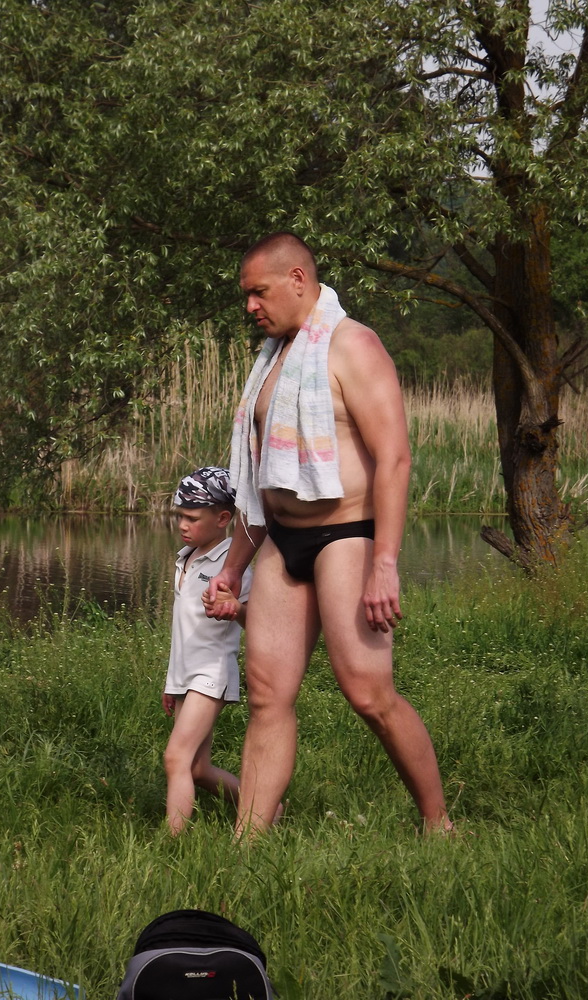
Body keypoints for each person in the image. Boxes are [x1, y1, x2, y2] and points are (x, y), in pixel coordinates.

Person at [207, 232, 452, 836]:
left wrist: (385, 563)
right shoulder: (274, 359)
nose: (250, 306)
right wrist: (234, 566)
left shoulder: (352, 345)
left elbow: (394, 458)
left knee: (368, 693)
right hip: (282, 539)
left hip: (347, 534)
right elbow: (261, 481)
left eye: (259, 292)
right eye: (245, 296)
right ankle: (247, 843)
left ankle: (438, 822)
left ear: (297, 279)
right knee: (267, 695)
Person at [162, 466, 251, 835]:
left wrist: (237, 608)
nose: (183, 525)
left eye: (192, 518)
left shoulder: (235, 566)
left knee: (176, 758)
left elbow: (259, 623)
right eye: (180, 516)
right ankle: (265, 807)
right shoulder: (185, 557)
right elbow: (183, 631)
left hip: (211, 674)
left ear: (223, 519)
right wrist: (171, 683)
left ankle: (173, 843)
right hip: (185, 675)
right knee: (197, 769)